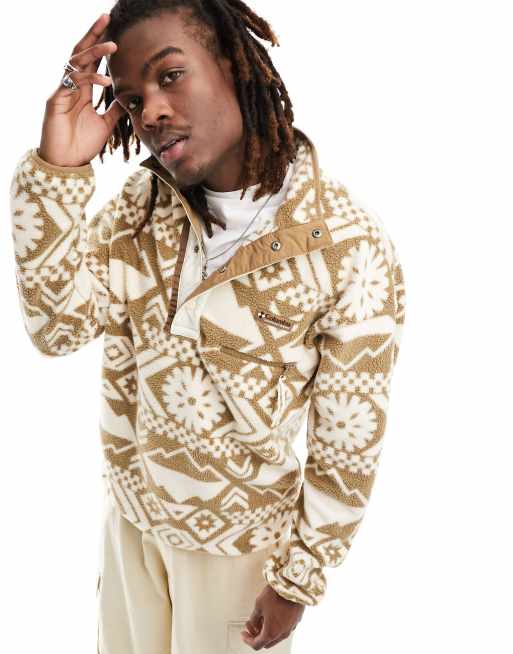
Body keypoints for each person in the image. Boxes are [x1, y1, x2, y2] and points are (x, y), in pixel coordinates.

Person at [9, 2, 407, 653]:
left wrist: (298, 579)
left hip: (239, 556)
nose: (151, 113)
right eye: (132, 100)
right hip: (132, 528)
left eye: (170, 76)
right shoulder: (142, 208)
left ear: (230, 63)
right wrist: (59, 171)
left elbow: (348, 439)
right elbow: (56, 328)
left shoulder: (344, 245)